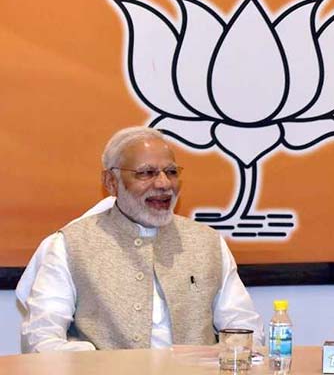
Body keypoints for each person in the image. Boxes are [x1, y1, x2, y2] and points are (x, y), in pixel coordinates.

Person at [21, 127, 263, 352]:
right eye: (146, 173)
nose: (163, 184)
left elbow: (244, 327)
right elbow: (41, 338)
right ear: (111, 182)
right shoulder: (70, 244)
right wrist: (92, 362)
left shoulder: (207, 242)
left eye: (171, 172)